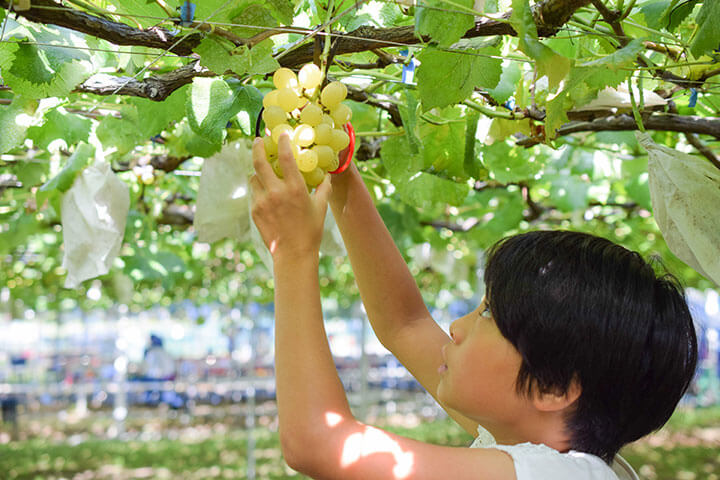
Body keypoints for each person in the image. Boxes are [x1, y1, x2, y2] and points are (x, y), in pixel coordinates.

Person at [249, 133, 698, 480]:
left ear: (553, 388)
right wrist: (341, 174)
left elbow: (317, 443)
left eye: (488, 314)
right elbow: (403, 323)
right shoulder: (537, 443)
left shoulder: (564, 475)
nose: (457, 327)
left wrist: (292, 253)